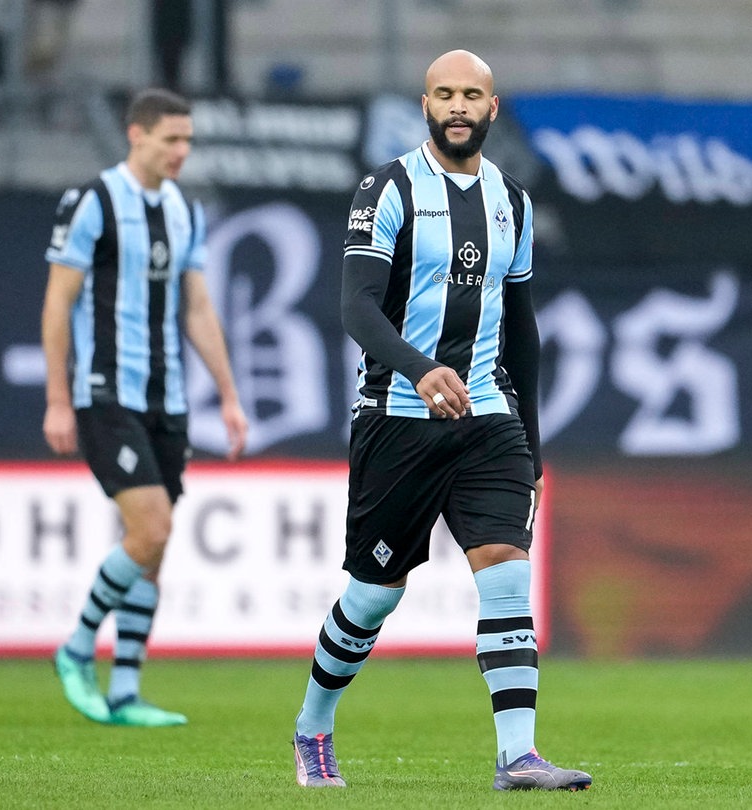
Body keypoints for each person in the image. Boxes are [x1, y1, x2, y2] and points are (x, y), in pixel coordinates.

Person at [289, 50, 591, 792]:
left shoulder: (512, 203)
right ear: (425, 105)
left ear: (492, 108)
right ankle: (313, 724)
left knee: (506, 573)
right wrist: (421, 369)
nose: (459, 106)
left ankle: (517, 755)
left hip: (490, 422)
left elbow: (522, 333)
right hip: (397, 418)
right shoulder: (385, 188)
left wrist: (538, 450)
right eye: (445, 94)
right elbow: (356, 305)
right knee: (371, 595)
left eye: (473, 95)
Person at [42, 87, 248, 727]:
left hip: (169, 399)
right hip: (107, 392)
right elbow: (57, 304)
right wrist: (57, 398)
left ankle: (125, 690)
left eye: (188, 140)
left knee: (154, 550)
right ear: (136, 135)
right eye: (171, 139)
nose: (181, 151)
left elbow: (197, 308)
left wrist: (231, 396)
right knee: (150, 528)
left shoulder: (185, 210)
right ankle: (76, 648)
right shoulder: (93, 203)